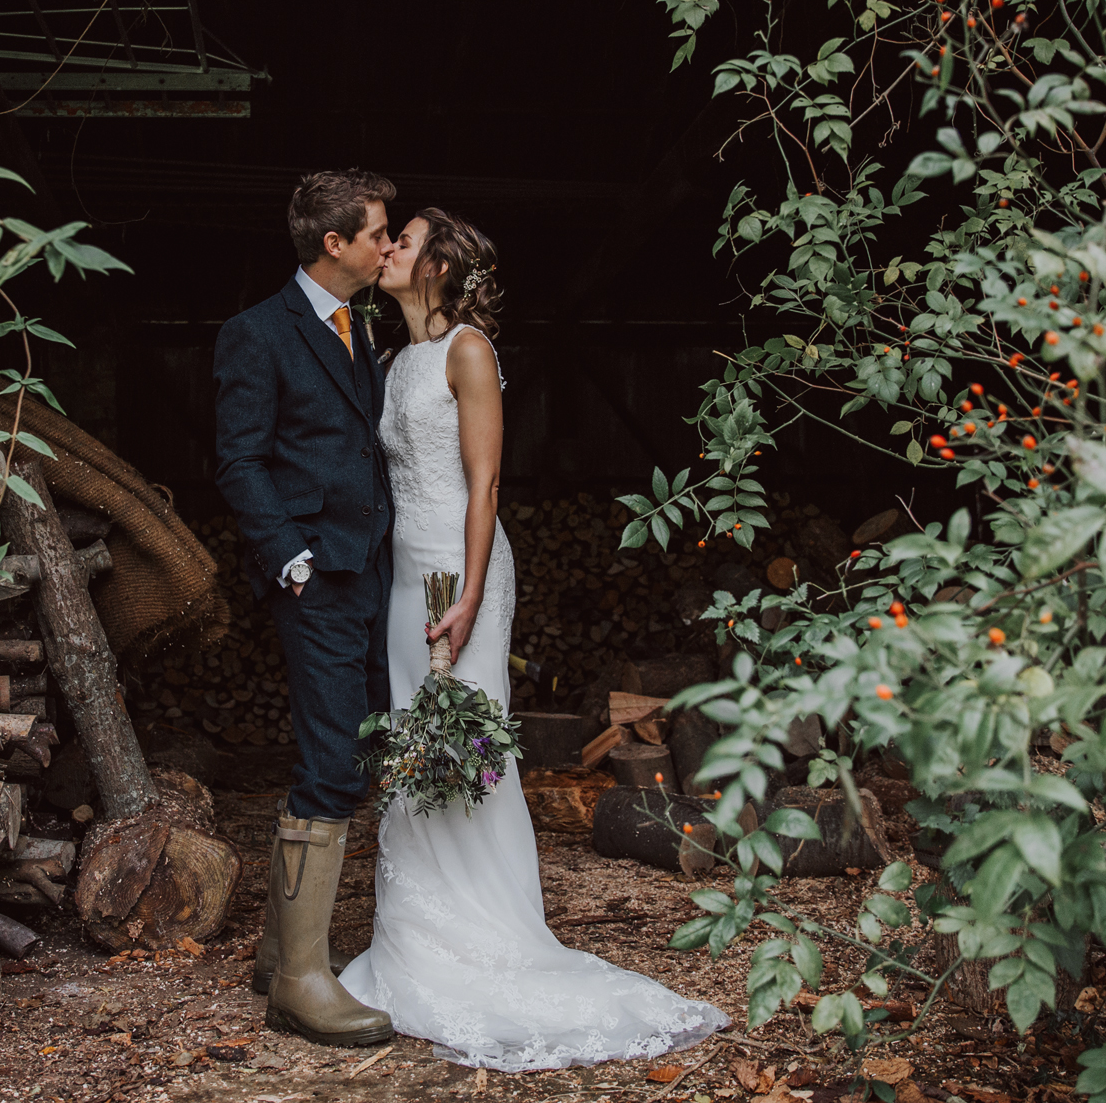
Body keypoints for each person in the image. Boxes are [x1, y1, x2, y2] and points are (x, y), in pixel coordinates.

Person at [336, 208, 730, 1071]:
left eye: (405, 238)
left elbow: (486, 484)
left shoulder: (469, 350)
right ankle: (413, 941)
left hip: (460, 567)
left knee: (468, 744)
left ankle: (490, 936)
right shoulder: (396, 360)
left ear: (440, 264)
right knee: (415, 739)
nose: (390, 247)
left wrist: (472, 593)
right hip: (407, 576)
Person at [212, 169, 398, 1048]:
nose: (387, 243)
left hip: (369, 574)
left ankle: (272, 952)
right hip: (317, 577)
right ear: (334, 244)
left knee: (357, 751)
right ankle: (299, 982)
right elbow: (239, 461)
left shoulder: (362, 324)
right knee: (331, 766)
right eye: (377, 231)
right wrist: (292, 562)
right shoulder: (258, 332)